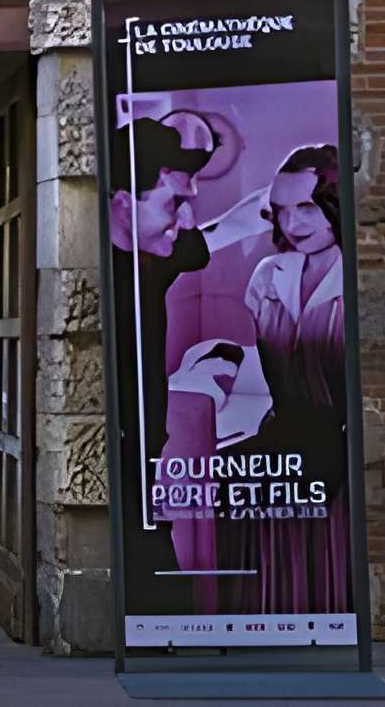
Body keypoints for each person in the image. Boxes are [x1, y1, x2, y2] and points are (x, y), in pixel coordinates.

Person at [108, 116, 216, 603]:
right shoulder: (105, 271)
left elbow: (202, 246)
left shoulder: (159, 252)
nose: (186, 220)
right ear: (122, 204)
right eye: (173, 204)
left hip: (148, 445)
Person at [244, 144, 351, 614]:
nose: (292, 223)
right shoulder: (268, 277)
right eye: (282, 210)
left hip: (343, 450)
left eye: (307, 207)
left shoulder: (357, 278)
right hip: (284, 441)